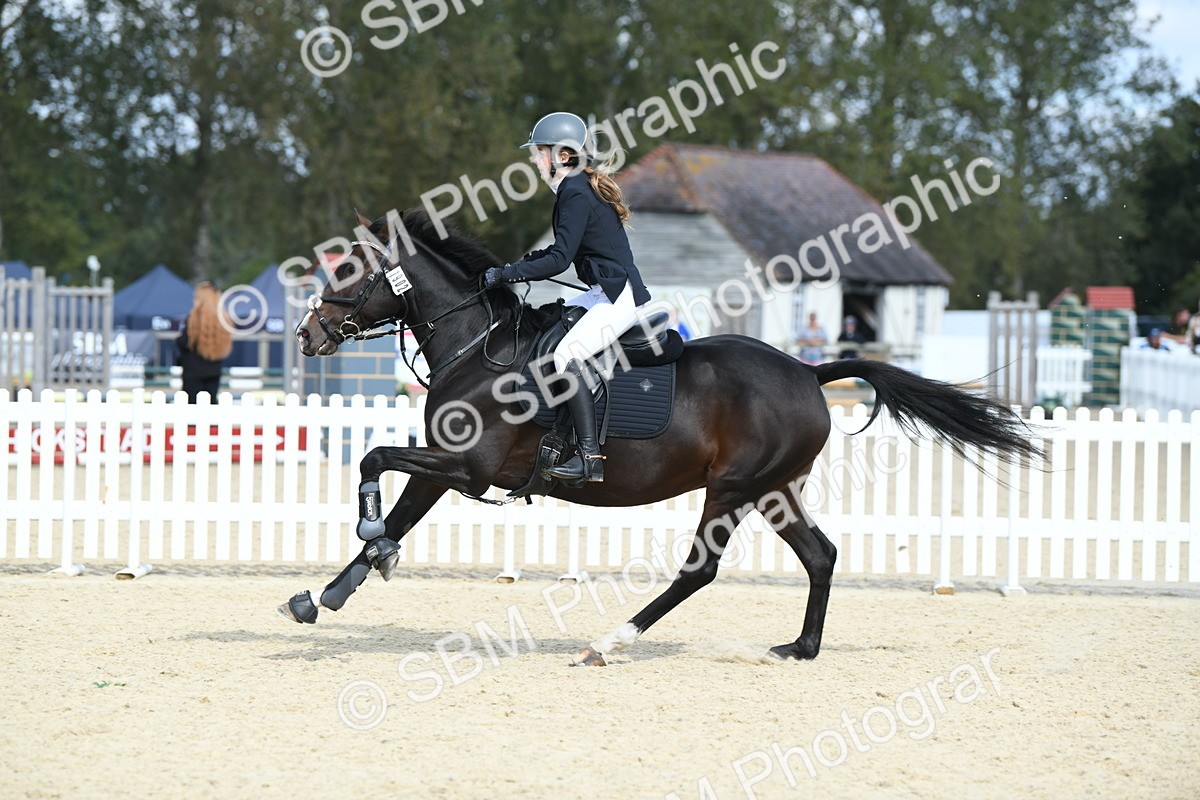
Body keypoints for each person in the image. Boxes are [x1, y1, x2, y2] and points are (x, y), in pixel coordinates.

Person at [484, 112, 651, 483]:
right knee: (547, 326)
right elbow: (558, 253)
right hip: (599, 293)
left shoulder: (574, 191)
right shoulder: (573, 188)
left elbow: (559, 259)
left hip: (617, 297)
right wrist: (522, 264)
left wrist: (507, 273)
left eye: (538, 152)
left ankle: (590, 457)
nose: (533, 159)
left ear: (561, 156)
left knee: (567, 355)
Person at [176, 281, 233, 402]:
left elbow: (184, 342)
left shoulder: (194, 318)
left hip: (192, 371)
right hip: (214, 369)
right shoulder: (223, 319)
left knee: (192, 408)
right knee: (210, 408)